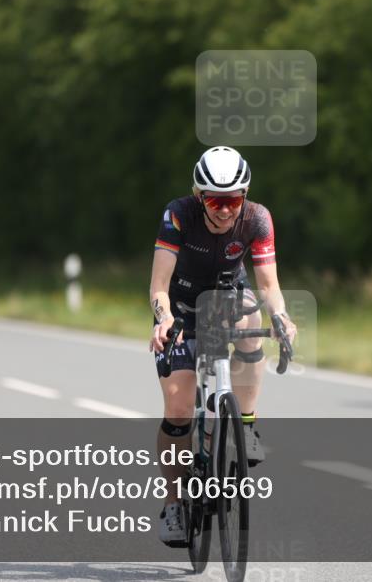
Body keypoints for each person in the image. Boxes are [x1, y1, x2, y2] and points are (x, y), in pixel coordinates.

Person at [149, 146, 298, 545]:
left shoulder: (257, 219)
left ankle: (245, 423)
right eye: (215, 199)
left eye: (233, 200)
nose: (225, 209)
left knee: (253, 316)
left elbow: (268, 286)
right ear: (199, 195)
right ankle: (175, 502)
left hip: (227, 299)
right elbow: (159, 286)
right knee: (179, 410)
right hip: (180, 309)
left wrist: (281, 317)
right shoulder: (178, 214)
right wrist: (163, 319)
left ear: (244, 196)